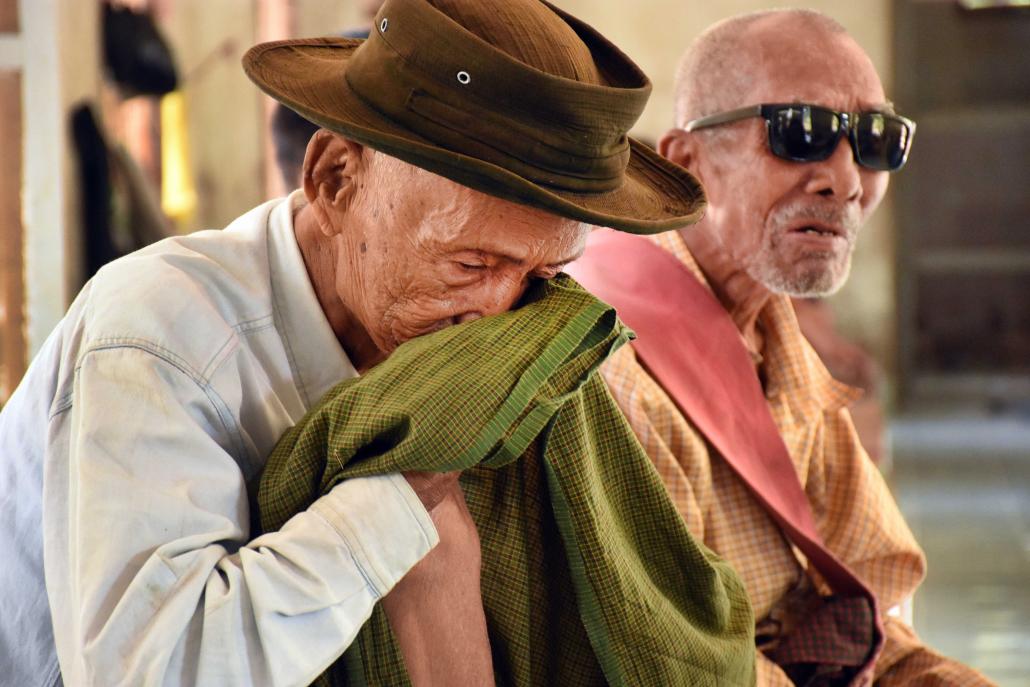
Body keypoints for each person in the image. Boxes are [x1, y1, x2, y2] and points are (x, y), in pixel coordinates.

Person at [0, 0, 751, 685]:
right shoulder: (161, 333)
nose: (499, 313)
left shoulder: (518, 344)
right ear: (334, 181)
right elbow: (155, 668)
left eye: (540, 272)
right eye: (470, 262)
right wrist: (398, 501)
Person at [568, 9, 993, 686]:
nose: (846, 180)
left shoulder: (774, 333)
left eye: (876, 140)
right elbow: (688, 666)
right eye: (803, 133)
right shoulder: (615, 370)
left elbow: (879, 605)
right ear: (686, 162)